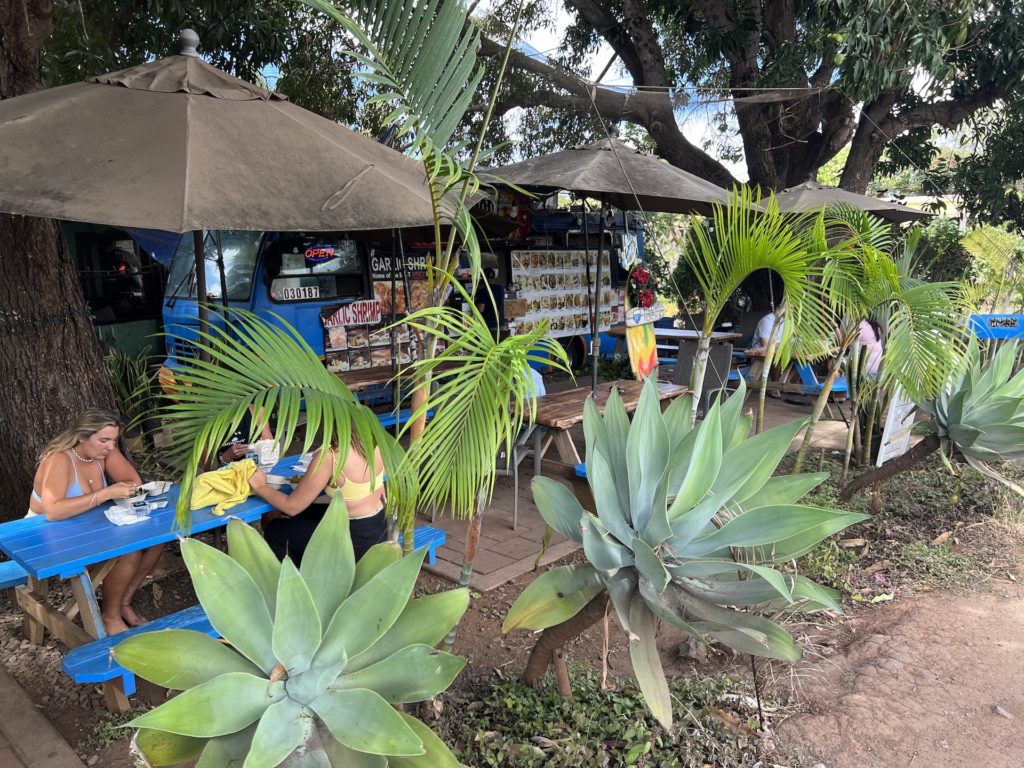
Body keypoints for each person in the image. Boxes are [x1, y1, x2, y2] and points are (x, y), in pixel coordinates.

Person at [27, 408, 164, 635]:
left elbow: (132, 481)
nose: (110, 447)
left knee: (156, 540)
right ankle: (111, 618)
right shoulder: (60, 459)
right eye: (104, 440)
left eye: (113, 440)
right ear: (82, 437)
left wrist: (120, 490)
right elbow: (53, 512)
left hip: (88, 527)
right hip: (47, 535)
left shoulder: (103, 452)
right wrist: (105, 494)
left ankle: (123, 602)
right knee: (128, 551)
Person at [248, 436, 387, 565]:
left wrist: (260, 487)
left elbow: (292, 506)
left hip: (354, 541)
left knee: (276, 529)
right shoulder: (372, 441)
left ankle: (299, 582)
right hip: (379, 526)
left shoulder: (329, 455)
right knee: (302, 513)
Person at [474, 268, 505, 338]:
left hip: (490, 326)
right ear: (494, 278)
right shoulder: (501, 289)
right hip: (501, 325)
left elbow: (480, 309)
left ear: (484, 278)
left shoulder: (484, 291)